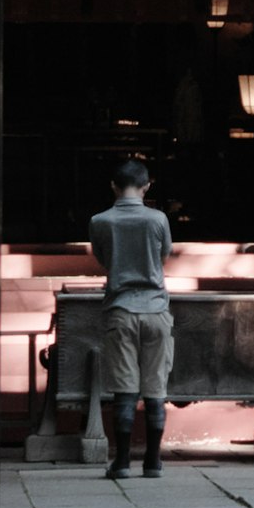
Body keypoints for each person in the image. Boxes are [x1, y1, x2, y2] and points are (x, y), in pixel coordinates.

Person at [88, 156, 174, 479]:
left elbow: (103, 259)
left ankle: (122, 462)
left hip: (120, 310)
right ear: (147, 186)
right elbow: (164, 256)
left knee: (124, 388)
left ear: (113, 186)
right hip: (156, 309)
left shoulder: (100, 221)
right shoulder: (158, 220)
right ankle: (153, 461)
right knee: (155, 388)